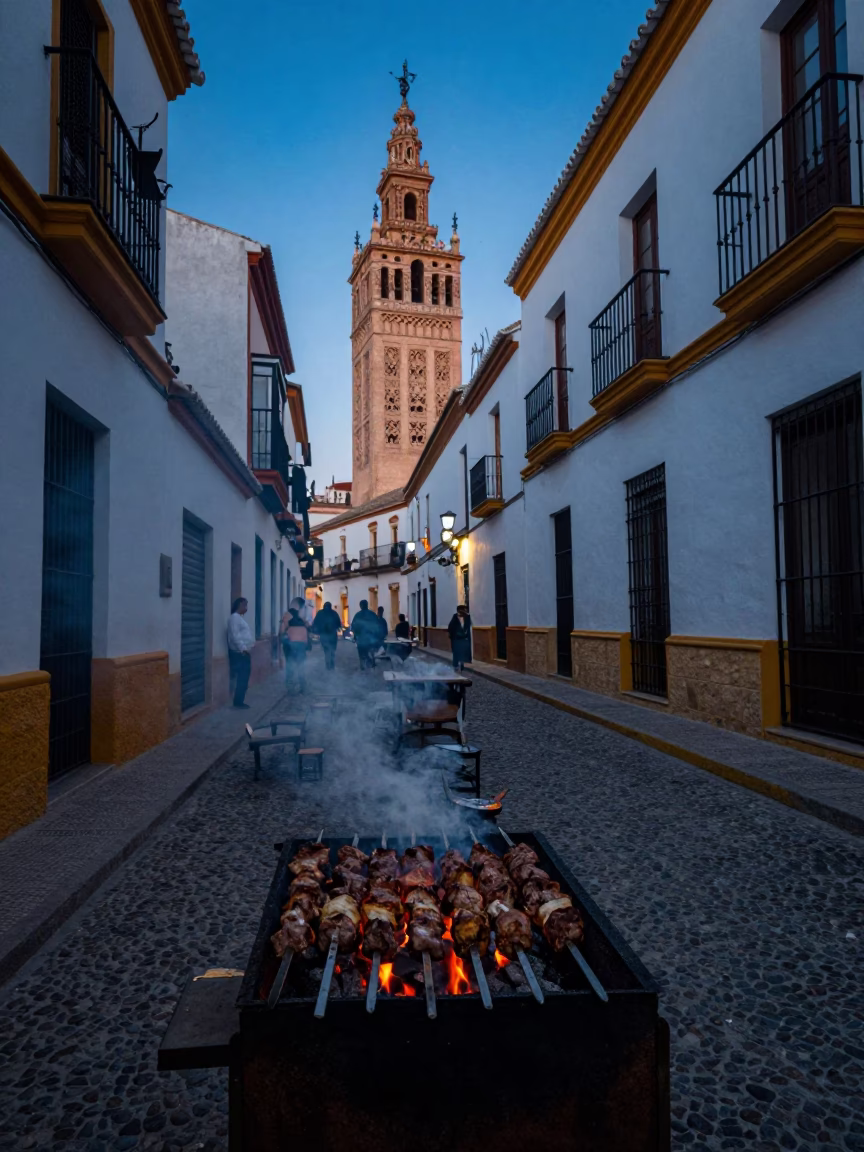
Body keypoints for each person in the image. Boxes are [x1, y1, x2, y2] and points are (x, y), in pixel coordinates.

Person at [227, 597, 254, 708]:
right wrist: (243, 649)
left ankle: (239, 701)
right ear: (240, 605)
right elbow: (235, 636)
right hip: (240, 653)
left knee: (244, 678)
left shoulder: (239, 618)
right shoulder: (234, 618)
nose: (246, 608)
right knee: (242, 678)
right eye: (245, 605)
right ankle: (238, 702)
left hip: (243, 652)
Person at [280, 604, 310, 693]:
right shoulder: (302, 621)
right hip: (301, 646)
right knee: (301, 667)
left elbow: (282, 633)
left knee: (290, 667)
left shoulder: (286, 620)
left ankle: (290, 688)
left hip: (291, 647)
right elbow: (308, 632)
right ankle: (303, 688)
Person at [351, 599, 381, 670]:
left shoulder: (357, 615)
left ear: (360, 606)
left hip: (361, 640)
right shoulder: (372, 614)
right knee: (371, 653)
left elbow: (354, 627)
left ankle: (363, 667)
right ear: (367, 605)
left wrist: (355, 637)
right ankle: (372, 666)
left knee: (361, 655)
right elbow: (377, 627)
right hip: (371, 639)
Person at [312, 601, 341, 671]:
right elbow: (338, 624)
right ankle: (332, 664)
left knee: (326, 650)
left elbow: (315, 623)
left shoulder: (320, 613)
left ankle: (328, 665)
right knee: (332, 650)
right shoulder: (334, 613)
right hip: (333, 635)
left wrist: (316, 631)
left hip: (323, 635)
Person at [447, 604, 472, 672]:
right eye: (463, 610)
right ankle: (455, 665)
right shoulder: (455, 617)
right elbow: (450, 627)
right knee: (456, 652)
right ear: (459, 610)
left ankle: (461, 664)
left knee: (463, 651)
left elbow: (469, 625)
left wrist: (466, 633)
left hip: (464, 637)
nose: (465, 611)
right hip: (456, 638)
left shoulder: (467, 617)